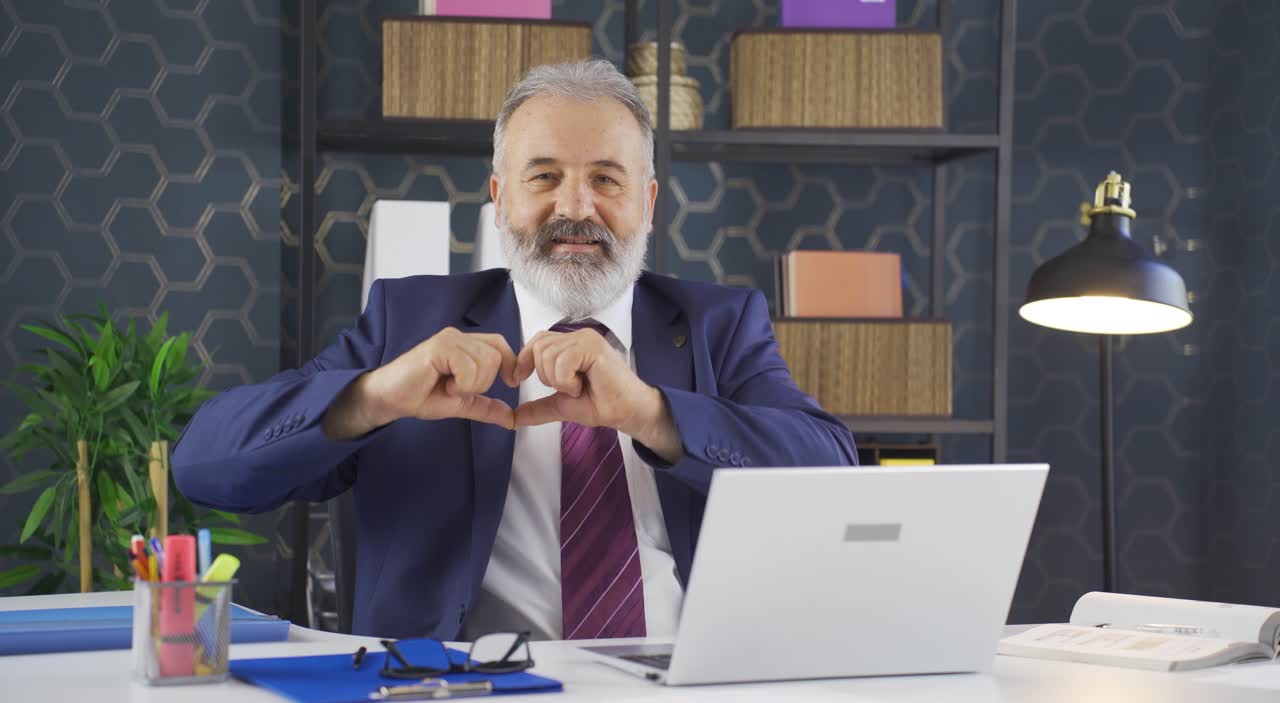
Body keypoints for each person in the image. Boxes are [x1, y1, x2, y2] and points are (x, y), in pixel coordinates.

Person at [173, 59, 856, 641]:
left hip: (676, 687)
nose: (575, 208)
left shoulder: (719, 323)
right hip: (463, 695)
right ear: (499, 199)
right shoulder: (408, 320)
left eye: (607, 180)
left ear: (648, 203)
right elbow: (204, 467)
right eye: (544, 177)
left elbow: (831, 475)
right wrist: (374, 396)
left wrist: (653, 414)